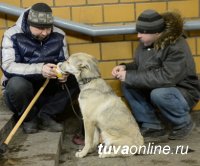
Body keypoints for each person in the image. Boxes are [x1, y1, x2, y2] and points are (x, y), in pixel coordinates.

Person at [112, 9, 200, 140]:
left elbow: (167, 77)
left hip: (183, 92)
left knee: (159, 93)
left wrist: (129, 76)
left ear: (157, 33)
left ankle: (183, 124)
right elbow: (141, 65)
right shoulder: (146, 43)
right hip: (162, 87)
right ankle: (152, 125)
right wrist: (125, 67)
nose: (138, 36)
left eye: (143, 32)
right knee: (128, 83)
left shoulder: (176, 46)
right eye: (138, 31)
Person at [1, 3, 79, 134]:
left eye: (48, 28)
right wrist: (40, 69)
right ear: (29, 23)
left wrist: (63, 73)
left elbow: (63, 62)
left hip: (48, 88)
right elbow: (8, 66)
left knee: (77, 77)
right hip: (24, 92)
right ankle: (29, 118)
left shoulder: (59, 35)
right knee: (16, 84)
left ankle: (46, 115)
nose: (45, 33)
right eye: (40, 28)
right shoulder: (11, 34)